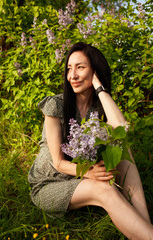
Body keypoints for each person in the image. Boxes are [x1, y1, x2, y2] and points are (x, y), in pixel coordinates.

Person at [28, 42, 153, 240]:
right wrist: (91, 173)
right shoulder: (56, 105)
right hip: (49, 184)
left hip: (79, 178)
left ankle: (145, 222)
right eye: (69, 68)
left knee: (122, 148)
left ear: (95, 71)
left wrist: (99, 87)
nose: (72, 75)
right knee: (104, 188)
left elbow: (121, 129)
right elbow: (58, 163)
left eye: (80, 67)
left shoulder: (98, 108)